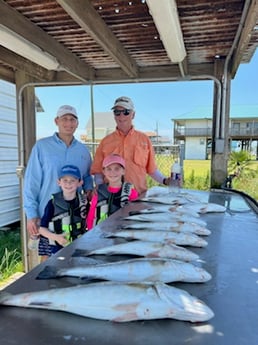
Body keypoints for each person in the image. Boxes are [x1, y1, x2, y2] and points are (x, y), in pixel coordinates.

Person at [23, 104, 93, 260]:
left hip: (74, 216)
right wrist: (31, 214)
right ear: (56, 121)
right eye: (64, 119)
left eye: (72, 119)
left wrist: (89, 190)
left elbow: (88, 177)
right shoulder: (42, 147)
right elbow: (31, 182)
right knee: (48, 261)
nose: (68, 123)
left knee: (74, 260)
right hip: (48, 214)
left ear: (77, 123)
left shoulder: (83, 151)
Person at [90, 96, 170, 195]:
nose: (121, 116)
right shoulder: (105, 142)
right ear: (114, 115)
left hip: (139, 196)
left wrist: (165, 181)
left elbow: (152, 170)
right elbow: (98, 172)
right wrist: (100, 190)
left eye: (126, 112)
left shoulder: (144, 140)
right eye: (117, 112)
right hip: (112, 198)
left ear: (133, 114)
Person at [38, 165, 87, 259]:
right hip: (57, 249)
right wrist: (56, 237)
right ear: (58, 182)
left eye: (72, 180)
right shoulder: (52, 203)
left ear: (80, 182)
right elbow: (42, 229)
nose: (68, 184)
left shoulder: (83, 202)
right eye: (65, 180)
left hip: (77, 247)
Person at [87, 154, 138, 230]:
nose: (113, 172)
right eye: (109, 169)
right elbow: (91, 216)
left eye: (117, 169)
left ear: (123, 171)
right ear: (104, 171)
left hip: (121, 235)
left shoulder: (131, 193)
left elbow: (135, 217)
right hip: (100, 235)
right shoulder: (98, 192)